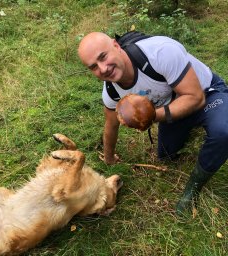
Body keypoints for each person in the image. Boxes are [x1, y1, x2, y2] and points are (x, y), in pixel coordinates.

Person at [78, 31, 228, 215]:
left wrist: (150, 117)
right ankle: (191, 129)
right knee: (165, 155)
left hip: (206, 93)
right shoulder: (111, 92)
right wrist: (109, 157)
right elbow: (111, 125)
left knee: (223, 132)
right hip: (171, 108)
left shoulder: (160, 52)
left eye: (103, 56)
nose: (103, 68)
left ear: (116, 46)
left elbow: (195, 98)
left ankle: (193, 188)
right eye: (94, 66)